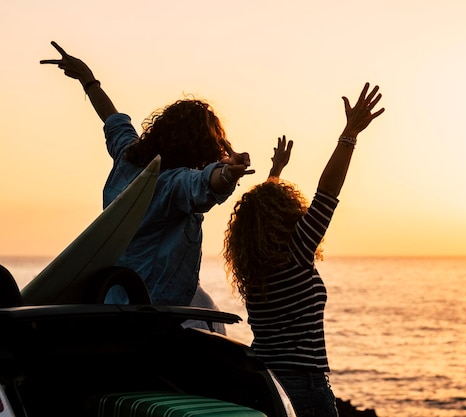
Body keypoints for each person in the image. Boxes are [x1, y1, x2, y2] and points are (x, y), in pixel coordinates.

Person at [41, 41, 253, 332]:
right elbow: (204, 184)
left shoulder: (128, 157)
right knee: (211, 325)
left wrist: (88, 80)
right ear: (199, 146)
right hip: (154, 315)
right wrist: (230, 173)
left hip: (112, 302)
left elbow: (113, 121)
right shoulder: (173, 184)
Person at [223, 83, 384, 416]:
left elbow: (260, 215)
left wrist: (274, 175)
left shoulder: (253, 269)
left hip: (264, 384)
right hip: (304, 387)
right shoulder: (297, 253)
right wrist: (349, 134)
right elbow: (327, 194)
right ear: (286, 215)